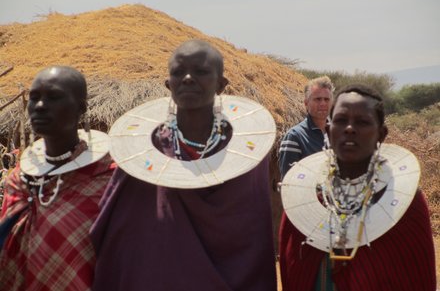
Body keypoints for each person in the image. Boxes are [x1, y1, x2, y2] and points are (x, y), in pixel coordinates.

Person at [90, 40, 277, 291]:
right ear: (169, 85)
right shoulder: (142, 152)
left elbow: (252, 236)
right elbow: (121, 234)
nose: (188, 78)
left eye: (200, 71)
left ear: (222, 85)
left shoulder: (247, 153)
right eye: (179, 72)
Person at [279, 84, 436, 290]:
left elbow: (418, 281)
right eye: (341, 121)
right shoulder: (303, 204)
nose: (350, 128)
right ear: (328, 130)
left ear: (381, 134)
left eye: (362, 122)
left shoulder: (405, 205)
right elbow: (293, 275)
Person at [0, 66, 114, 290]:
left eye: (53, 97)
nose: (40, 106)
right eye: (34, 98)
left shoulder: (109, 179)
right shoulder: (18, 180)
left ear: (80, 108)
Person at [278, 76, 334, 284]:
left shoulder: (338, 134)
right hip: (306, 221)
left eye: (326, 99)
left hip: (338, 220)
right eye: (317, 99)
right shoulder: (295, 137)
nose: (322, 104)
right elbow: (289, 184)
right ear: (306, 103)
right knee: (309, 279)